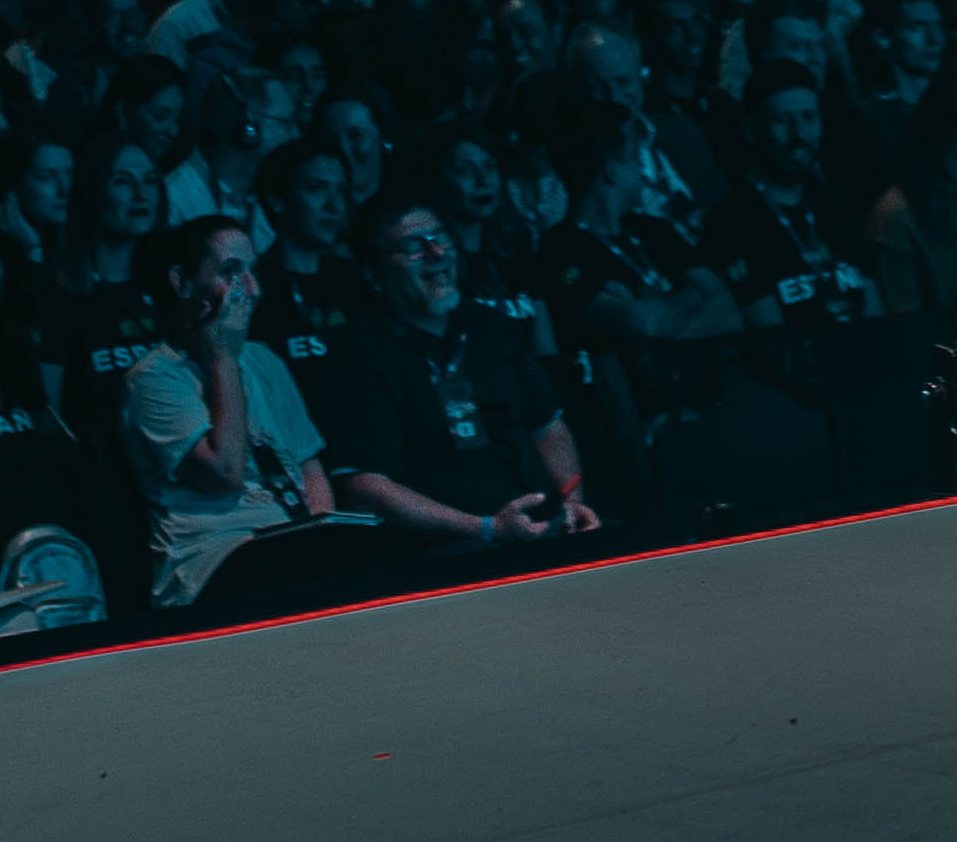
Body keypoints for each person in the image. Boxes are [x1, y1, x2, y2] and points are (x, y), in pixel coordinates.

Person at [310, 202, 594, 554]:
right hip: (446, 547)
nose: (435, 253)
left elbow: (549, 427)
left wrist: (573, 504)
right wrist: (488, 529)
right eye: (413, 246)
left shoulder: (493, 327)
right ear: (374, 273)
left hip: (538, 527)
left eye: (440, 238)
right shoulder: (357, 353)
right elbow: (364, 487)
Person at [99, 220, 335, 612]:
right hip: (213, 560)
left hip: (288, 542)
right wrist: (223, 356)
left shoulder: (264, 360)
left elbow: (309, 465)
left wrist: (325, 533)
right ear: (183, 282)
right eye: (230, 272)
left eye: (252, 271)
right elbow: (225, 472)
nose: (250, 289)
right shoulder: (155, 378)